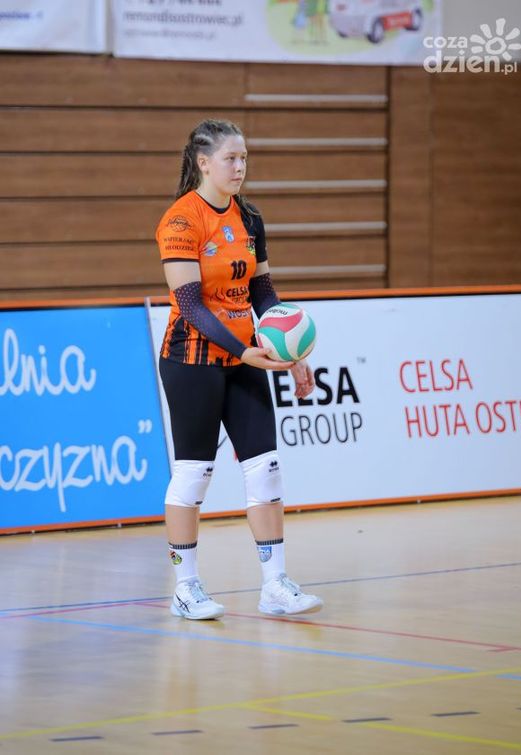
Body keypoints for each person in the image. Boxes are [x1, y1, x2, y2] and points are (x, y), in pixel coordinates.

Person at [156, 119, 323, 621]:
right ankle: (185, 589)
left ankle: (275, 586)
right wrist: (244, 350)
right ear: (204, 163)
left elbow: (263, 293)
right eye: (231, 158)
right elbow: (191, 305)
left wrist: (291, 348)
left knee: (266, 468)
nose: (240, 167)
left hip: (245, 356)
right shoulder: (180, 221)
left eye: (244, 158)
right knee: (193, 475)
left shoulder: (249, 217)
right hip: (192, 361)